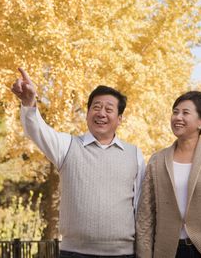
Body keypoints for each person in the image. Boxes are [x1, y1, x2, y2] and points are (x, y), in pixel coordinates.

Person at [11, 68, 145, 258]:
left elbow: (140, 206)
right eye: (96, 107)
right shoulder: (67, 146)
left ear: (120, 119)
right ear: (88, 113)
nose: (101, 113)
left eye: (109, 109)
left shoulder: (134, 154)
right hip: (74, 252)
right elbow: (37, 130)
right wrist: (29, 103)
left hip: (122, 254)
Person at [136, 91, 201, 258]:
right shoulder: (157, 161)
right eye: (175, 112)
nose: (178, 117)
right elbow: (146, 217)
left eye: (185, 113)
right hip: (167, 252)